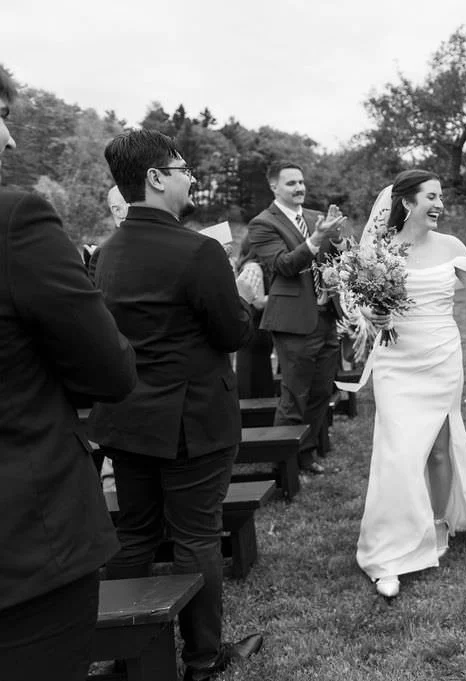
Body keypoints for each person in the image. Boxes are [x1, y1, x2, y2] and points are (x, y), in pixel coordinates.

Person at [88, 129, 263, 681]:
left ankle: (131, 655)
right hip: (191, 421)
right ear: (157, 178)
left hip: (127, 419)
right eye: (183, 166)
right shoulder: (199, 249)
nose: (192, 176)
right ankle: (203, 657)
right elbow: (232, 332)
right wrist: (244, 296)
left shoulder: (107, 253)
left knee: (135, 535)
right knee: (194, 538)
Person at [0, 70, 137, 681]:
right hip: (23, 540)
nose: (7, 139)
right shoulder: (17, 221)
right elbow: (106, 369)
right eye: (0, 114)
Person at [353, 169, 466, 598]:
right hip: (396, 360)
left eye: (441, 196)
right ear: (407, 202)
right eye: (432, 196)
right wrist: (374, 315)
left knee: (441, 447)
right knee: (398, 452)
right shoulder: (382, 250)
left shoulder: (452, 246)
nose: (440, 203)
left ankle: (438, 525)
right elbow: (364, 307)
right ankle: (389, 550)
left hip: (442, 354)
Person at [247, 161, 350, 474]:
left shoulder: (316, 218)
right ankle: (283, 467)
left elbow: (338, 256)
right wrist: (316, 239)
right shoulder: (262, 223)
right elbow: (284, 265)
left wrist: (338, 241)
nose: (299, 188)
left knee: (321, 392)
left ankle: (304, 454)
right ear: (274, 187)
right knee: (294, 396)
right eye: (291, 183)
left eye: (301, 182)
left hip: (325, 315)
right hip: (293, 321)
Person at [234, 235, 274, 398]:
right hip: (256, 329)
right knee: (254, 376)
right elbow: (257, 302)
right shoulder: (253, 268)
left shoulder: (248, 266)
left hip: (257, 330)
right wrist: (280, 295)